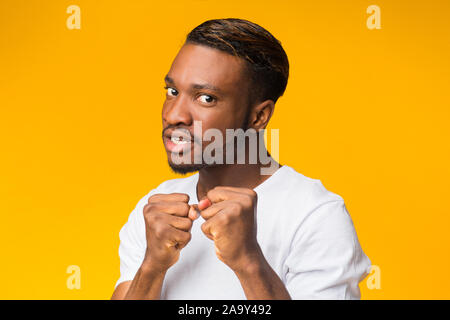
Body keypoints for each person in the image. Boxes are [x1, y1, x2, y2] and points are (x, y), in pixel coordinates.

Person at [111, 18, 371, 300]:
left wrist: (248, 261)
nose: (174, 115)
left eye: (206, 98)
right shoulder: (155, 208)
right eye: (172, 92)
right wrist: (152, 267)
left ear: (259, 116)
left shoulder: (316, 215)